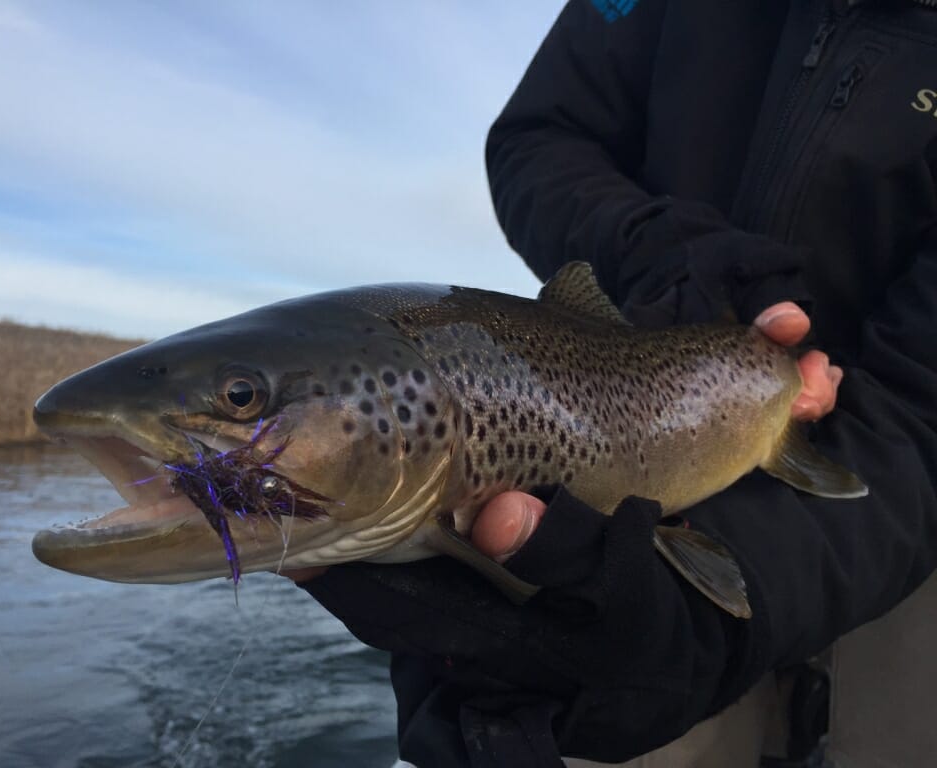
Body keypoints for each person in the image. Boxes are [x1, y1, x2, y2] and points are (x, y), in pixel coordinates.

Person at [295, 1, 937, 765]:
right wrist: (654, 248)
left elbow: (922, 404)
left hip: (909, 478)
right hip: (633, 478)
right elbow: (541, 136)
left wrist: (713, 623)